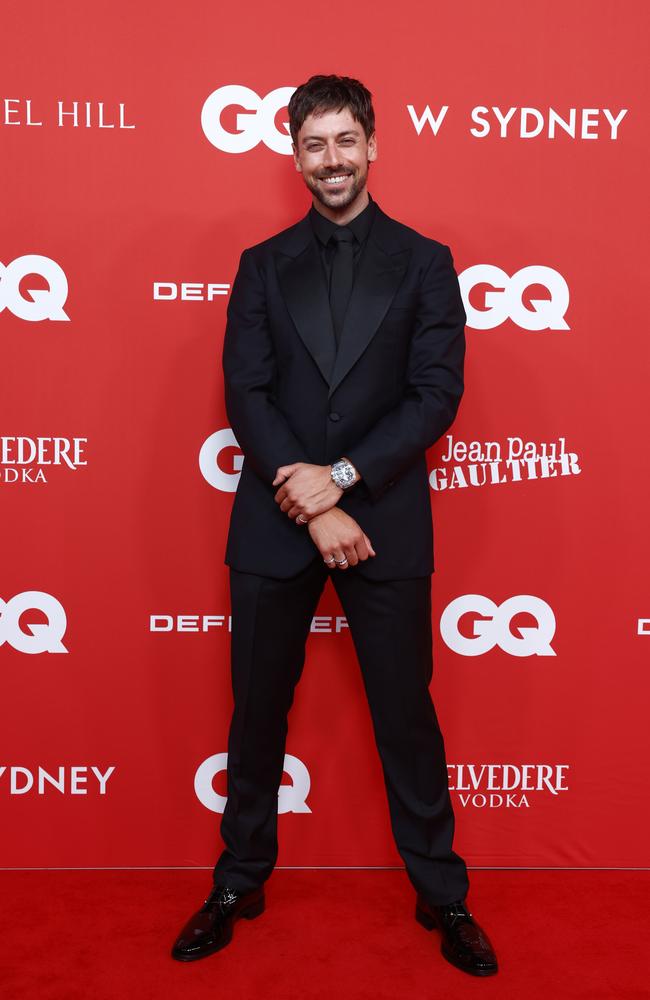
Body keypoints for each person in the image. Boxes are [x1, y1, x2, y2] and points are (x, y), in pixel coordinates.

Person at [171, 74, 498, 977]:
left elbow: (437, 394)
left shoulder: (427, 260)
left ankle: (442, 893)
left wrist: (344, 482)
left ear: (373, 144)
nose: (331, 160)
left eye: (344, 141)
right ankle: (238, 879)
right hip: (280, 523)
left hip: (383, 517)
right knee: (257, 713)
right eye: (313, 144)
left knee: (406, 714)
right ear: (294, 154)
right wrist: (313, 504)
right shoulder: (262, 263)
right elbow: (249, 392)